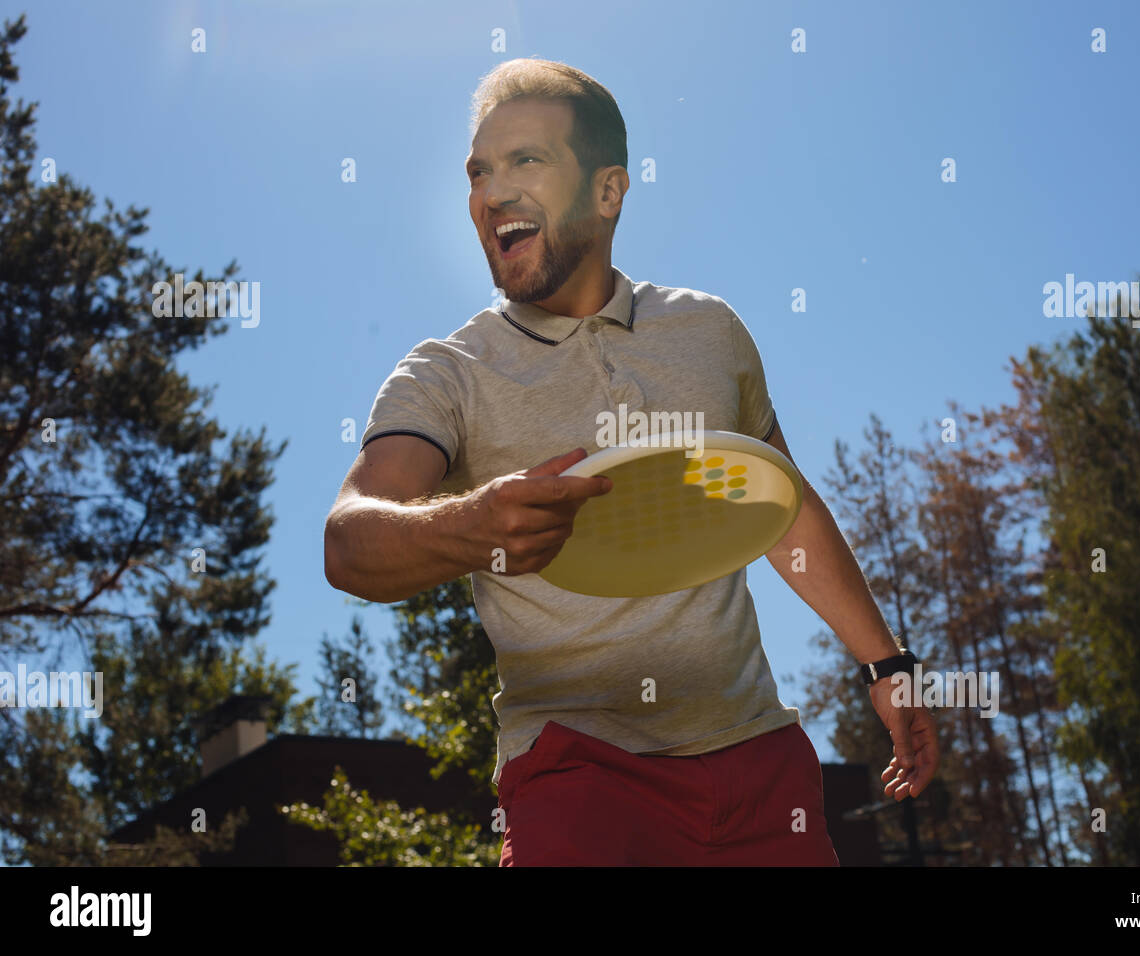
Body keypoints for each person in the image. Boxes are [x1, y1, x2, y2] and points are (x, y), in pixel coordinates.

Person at [324, 57, 938, 866]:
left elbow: (781, 507)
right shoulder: (447, 372)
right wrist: (468, 526)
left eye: (525, 162)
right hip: (578, 777)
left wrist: (887, 665)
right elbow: (348, 542)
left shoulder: (710, 331)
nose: (492, 193)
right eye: (479, 172)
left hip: (759, 765)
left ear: (610, 191)